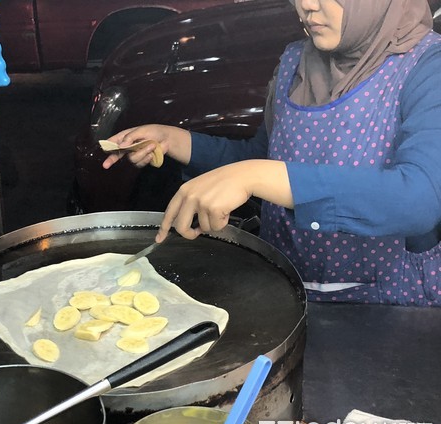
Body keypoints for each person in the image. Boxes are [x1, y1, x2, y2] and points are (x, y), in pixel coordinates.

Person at [103, 0, 441, 306]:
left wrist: (254, 175)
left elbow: (419, 198)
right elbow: (261, 158)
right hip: (285, 290)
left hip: (387, 306)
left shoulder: (427, 67)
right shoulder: (296, 61)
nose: (307, 6)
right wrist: (175, 140)